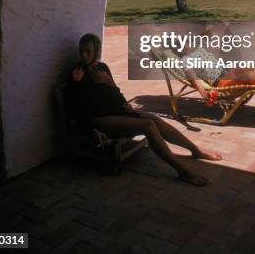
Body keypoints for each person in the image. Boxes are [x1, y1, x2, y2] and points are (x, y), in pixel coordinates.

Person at [67, 33, 222, 186]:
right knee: (148, 125)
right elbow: (77, 106)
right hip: (100, 120)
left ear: (96, 51)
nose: (83, 55)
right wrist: (76, 84)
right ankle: (182, 170)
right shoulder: (77, 73)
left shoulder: (102, 67)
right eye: (81, 51)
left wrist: (110, 84)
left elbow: (115, 92)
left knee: (156, 120)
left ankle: (195, 150)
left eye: (88, 51)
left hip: (117, 112)